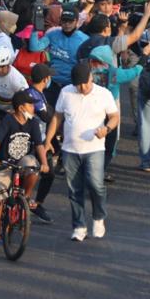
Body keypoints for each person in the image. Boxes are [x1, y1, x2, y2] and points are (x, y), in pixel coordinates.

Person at [44, 61, 119, 242]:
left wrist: (106, 129)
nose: (82, 87)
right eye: (78, 84)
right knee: (74, 189)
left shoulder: (104, 94)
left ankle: (99, 217)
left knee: (96, 185)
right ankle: (79, 226)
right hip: (70, 149)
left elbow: (114, 116)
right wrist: (48, 140)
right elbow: (57, 117)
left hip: (94, 148)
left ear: (91, 78)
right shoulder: (66, 92)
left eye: (85, 83)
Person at [0, 89, 49, 239]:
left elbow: (39, 145)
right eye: (31, 105)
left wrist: (45, 163)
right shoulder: (8, 120)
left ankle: (25, 196)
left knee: (32, 166)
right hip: (5, 163)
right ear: (21, 108)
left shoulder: (33, 123)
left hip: (22, 162)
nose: (33, 108)